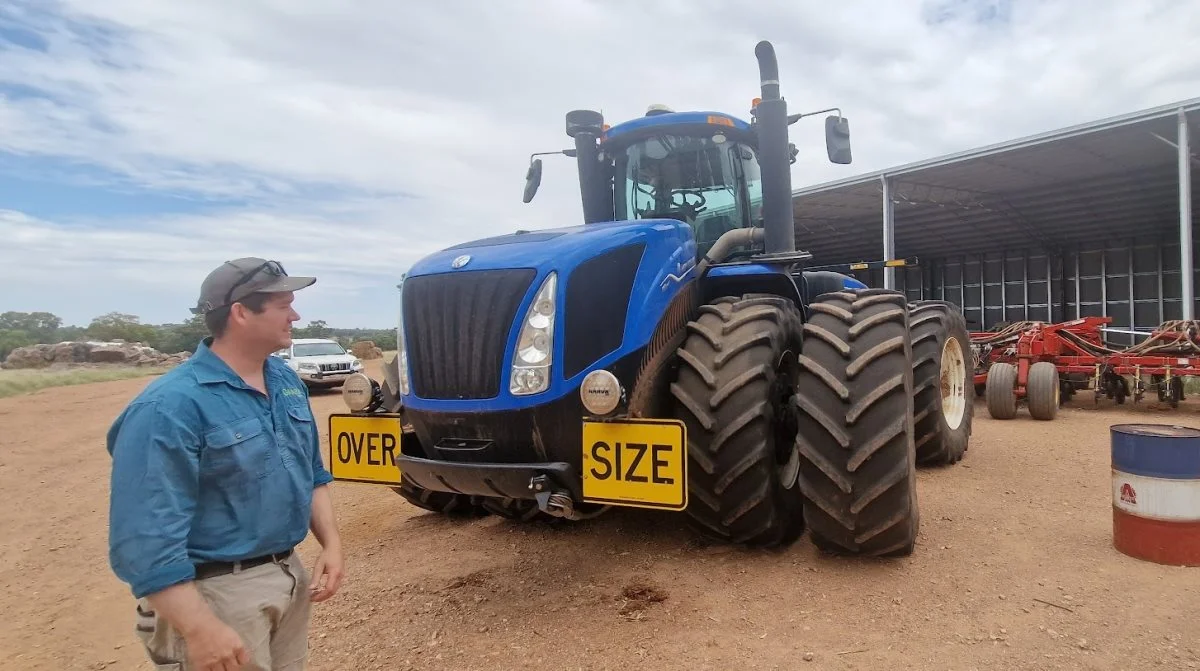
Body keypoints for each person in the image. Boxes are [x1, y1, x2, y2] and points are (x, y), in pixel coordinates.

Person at [106, 257, 345, 670]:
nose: (296, 314)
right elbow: (144, 541)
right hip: (214, 595)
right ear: (240, 312)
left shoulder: (285, 381)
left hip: (287, 575)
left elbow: (310, 472)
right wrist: (199, 629)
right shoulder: (169, 407)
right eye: (283, 304)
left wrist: (332, 543)